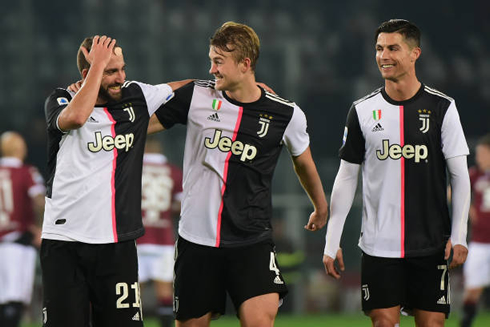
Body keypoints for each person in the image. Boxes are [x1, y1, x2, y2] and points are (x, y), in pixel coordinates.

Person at [148, 21, 329, 327]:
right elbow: (142, 126)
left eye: (218, 61)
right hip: (197, 239)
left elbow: (303, 162)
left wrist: (321, 205)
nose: (212, 69)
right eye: (211, 60)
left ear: (245, 64)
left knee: (260, 320)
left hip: (251, 240)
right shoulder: (196, 97)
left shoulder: (286, 113)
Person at [322, 19, 471, 327]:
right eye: (379, 48)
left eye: (393, 48)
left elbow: (459, 176)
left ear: (415, 53)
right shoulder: (362, 111)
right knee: (383, 323)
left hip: (431, 244)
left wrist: (459, 236)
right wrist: (332, 239)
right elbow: (347, 177)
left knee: (432, 324)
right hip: (379, 245)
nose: (383, 56)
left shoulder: (442, 107)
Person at [41, 35, 189, 327]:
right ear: (87, 74)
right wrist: (95, 70)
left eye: (122, 69)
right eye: (111, 71)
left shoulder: (135, 98)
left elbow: (185, 89)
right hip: (65, 242)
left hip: (116, 244)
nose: (121, 77)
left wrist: (236, 87)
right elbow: (77, 117)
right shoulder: (61, 100)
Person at [0, 131, 45, 327]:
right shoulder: (27, 172)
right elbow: (39, 201)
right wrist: (39, 227)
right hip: (17, 242)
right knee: (15, 300)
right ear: (19, 149)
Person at [137, 135, 182, 327]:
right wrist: (166, 210)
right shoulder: (173, 171)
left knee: (132, 291)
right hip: (163, 238)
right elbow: (181, 205)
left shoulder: (134, 167)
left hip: (137, 237)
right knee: (164, 291)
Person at [460, 134, 490, 327]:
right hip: (479, 241)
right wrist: (469, 208)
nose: (478, 158)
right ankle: (466, 323)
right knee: (472, 288)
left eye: (482, 153)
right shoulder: (475, 174)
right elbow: (452, 191)